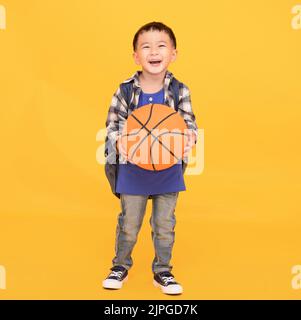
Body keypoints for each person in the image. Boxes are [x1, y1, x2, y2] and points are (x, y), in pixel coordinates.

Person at [102, 21, 198, 295]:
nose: (153, 52)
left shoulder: (180, 91)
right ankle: (120, 265)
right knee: (129, 224)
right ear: (136, 56)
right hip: (133, 169)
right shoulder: (125, 90)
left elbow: (189, 124)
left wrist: (189, 137)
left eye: (161, 46)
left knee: (164, 225)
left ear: (173, 54)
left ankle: (163, 271)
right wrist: (119, 140)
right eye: (146, 46)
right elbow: (112, 126)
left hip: (167, 170)